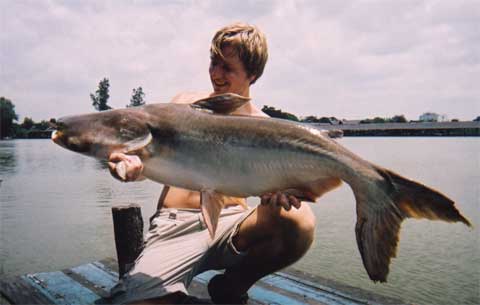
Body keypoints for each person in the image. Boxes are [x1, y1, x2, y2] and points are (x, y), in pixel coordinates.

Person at [108, 23, 316, 305]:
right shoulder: (184, 105)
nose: (216, 74)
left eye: (227, 68)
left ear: (252, 74)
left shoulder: (266, 129)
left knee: (300, 219)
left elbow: (277, 189)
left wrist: (280, 195)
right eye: (213, 62)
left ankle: (232, 285)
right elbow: (151, 159)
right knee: (137, 302)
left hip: (234, 225)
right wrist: (133, 166)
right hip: (176, 225)